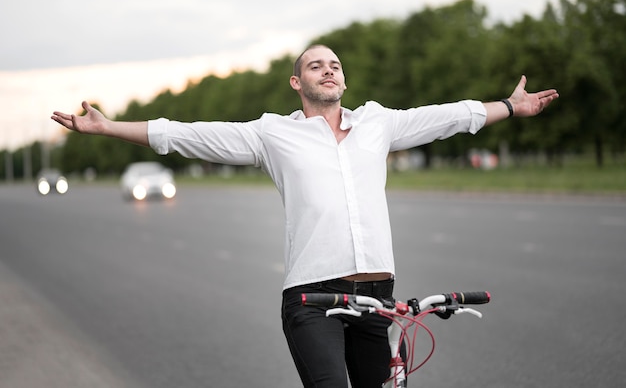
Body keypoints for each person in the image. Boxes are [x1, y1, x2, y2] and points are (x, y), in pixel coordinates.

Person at [51, 44, 558, 388]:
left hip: (376, 296)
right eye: (316, 66)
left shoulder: (378, 124)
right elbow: (187, 132)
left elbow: (447, 116)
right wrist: (109, 127)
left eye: (335, 64)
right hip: (312, 298)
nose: (329, 70)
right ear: (298, 81)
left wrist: (508, 108)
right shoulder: (273, 134)